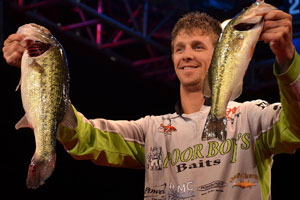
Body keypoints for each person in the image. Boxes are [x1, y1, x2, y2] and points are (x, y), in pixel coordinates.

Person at [3, 2, 300, 200]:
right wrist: (39, 77)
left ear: (222, 54)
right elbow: (84, 136)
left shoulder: (251, 117)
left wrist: (287, 58)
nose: (186, 55)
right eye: (179, 48)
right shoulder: (153, 131)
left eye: (198, 46)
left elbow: (296, 126)